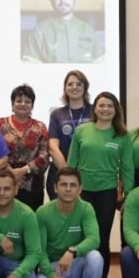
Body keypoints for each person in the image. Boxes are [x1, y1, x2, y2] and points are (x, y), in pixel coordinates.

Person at [67, 91, 134, 278]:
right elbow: (71, 164)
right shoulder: (82, 131)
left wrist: (128, 197)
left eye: (110, 106)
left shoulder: (122, 136)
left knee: (101, 241)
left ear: (116, 110)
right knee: (80, 238)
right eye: (101, 105)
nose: (105, 109)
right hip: (82, 193)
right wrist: (69, 190)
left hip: (106, 193)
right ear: (94, 108)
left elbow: (128, 168)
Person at [33, 167, 102, 278]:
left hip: (75, 264)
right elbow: (39, 251)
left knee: (95, 257)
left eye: (73, 185)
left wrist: (73, 251)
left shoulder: (86, 209)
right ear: (55, 188)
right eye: (64, 185)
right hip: (53, 267)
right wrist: (51, 276)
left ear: (80, 189)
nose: (68, 189)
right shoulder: (43, 212)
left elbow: (94, 239)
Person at [22, 0, 104, 64]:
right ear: (51, 0)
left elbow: (101, 65)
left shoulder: (88, 30)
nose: (63, 1)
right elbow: (30, 69)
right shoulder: (39, 32)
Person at [0, 84, 48, 211]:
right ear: (12, 104)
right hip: (5, 184)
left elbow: (44, 156)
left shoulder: (40, 127)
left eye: (27, 101)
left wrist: (23, 171)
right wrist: (12, 173)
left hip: (32, 186)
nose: (23, 104)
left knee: (31, 223)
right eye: (18, 101)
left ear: (32, 106)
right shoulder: (0, 124)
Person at [46, 70, 93, 200]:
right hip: (60, 172)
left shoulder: (95, 111)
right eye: (70, 84)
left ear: (85, 87)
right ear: (65, 88)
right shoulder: (57, 114)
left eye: (78, 84)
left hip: (88, 173)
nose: (74, 87)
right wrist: (68, 174)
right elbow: (53, 148)